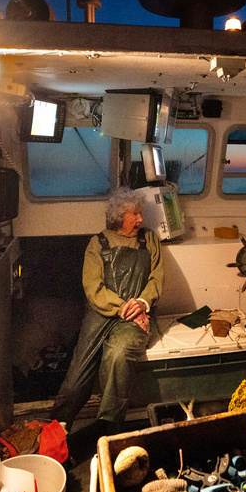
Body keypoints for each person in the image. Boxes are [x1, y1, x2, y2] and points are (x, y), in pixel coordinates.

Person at [50, 187, 164, 441]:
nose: (140, 219)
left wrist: (143, 303)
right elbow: (93, 288)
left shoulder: (150, 240)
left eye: (140, 214)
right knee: (76, 376)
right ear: (119, 216)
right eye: (134, 214)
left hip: (138, 315)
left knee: (118, 355)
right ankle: (53, 431)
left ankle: (107, 429)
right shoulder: (97, 243)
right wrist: (126, 308)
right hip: (103, 313)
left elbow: (157, 278)